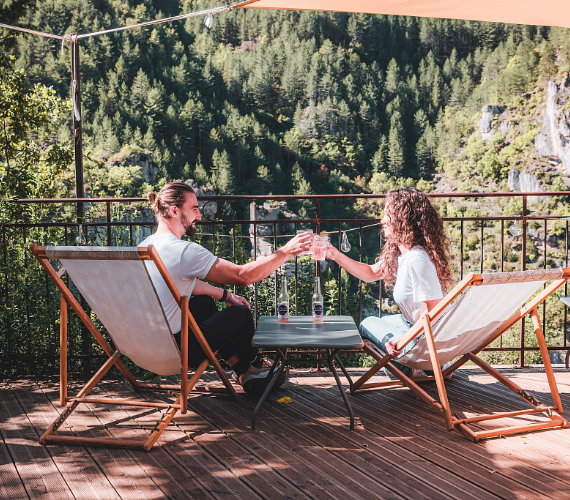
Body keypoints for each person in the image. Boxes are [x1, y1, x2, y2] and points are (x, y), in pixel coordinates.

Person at [139, 182, 312, 395]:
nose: (199, 216)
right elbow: (244, 276)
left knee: (203, 304)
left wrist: (225, 295)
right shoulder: (183, 251)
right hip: (178, 352)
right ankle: (257, 364)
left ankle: (243, 369)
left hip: (144, 348)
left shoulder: (145, 246)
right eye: (194, 208)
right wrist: (285, 252)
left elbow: (179, 284)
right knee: (240, 313)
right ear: (174, 210)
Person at [326, 187, 452, 378]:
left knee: (368, 323)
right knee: (383, 321)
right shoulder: (403, 255)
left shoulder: (416, 259)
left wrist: (400, 339)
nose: (382, 220)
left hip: (425, 345)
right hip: (416, 330)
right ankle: (418, 364)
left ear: (404, 219)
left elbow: (435, 310)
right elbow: (369, 273)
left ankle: (417, 367)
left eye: (388, 215)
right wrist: (335, 255)